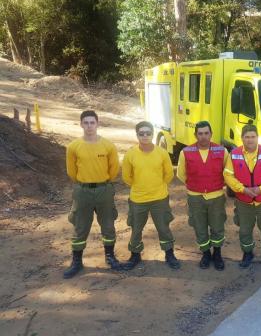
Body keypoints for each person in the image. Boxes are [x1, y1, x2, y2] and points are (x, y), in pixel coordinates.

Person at [64, 110, 121, 279]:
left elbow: (114, 169)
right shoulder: (74, 146)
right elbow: (71, 171)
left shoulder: (108, 145)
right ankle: (76, 262)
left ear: (97, 124)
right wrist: (84, 183)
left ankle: (110, 257)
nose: (89, 126)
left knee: (108, 225)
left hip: (104, 190)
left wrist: (103, 183)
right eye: (86, 123)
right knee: (80, 226)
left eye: (92, 122)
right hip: (82, 191)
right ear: (81, 124)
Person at [121, 121, 179, 270]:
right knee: (136, 228)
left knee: (163, 227)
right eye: (141, 133)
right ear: (137, 135)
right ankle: (135, 254)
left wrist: (158, 186)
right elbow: (126, 177)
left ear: (153, 134)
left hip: (159, 198)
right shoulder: (131, 154)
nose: (145, 136)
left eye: (148, 133)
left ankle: (169, 253)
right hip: (138, 199)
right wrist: (140, 186)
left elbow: (168, 174)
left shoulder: (161, 153)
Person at [224, 124, 261, 271]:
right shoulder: (234, 154)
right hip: (244, 201)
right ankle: (247, 254)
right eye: (247, 137)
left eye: (253, 137)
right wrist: (242, 189)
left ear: (257, 137)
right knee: (244, 231)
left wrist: (260, 189)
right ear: (242, 138)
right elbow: (228, 175)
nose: (250, 140)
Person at [177, 121, 228, 270]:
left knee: (217, 226)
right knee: (199, 227)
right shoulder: (185, 152)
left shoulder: (222, 151)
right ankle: (206, 254)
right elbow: (181, 175)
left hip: (216, 196)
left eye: (206, 133)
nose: (204, 136)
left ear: (211, 134)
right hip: (195, 197)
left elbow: (228, 172)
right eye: (200, 133)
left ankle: (217, 254)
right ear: (195, 135)